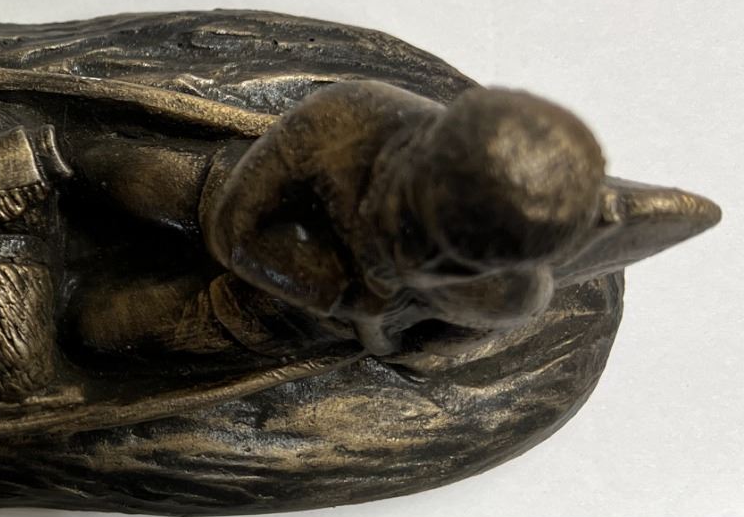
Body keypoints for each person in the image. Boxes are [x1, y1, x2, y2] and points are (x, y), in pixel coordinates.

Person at [74, 81, 607, 360]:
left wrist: (374, 324)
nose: (421, 260)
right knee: (102, 168)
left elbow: (410, 351)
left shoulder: (512, 295)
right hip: (236, 201)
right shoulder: (352, 116)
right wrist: (350, 293)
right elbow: (234, 229)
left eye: (453, 261)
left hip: (281, 316)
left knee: (96, 332)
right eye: (416, 227)